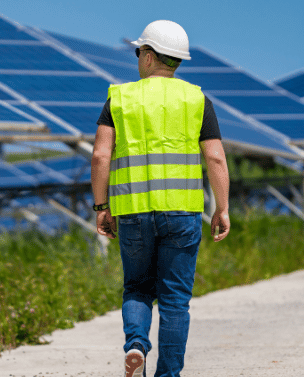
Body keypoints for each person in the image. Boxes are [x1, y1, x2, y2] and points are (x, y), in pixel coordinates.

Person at [91, 20, 231, 377]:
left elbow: (100, 156)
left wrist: (101, 207)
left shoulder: (119, 99)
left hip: (134, 212)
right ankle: (168, 374)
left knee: (137, 287)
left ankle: (136, 343)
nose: (138, 58)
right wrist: (222, 208)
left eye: (139, 52)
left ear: (150, 56)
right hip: (183, 213)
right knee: (174, 300)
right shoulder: (196, 99)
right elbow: (215, 157)